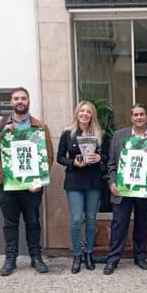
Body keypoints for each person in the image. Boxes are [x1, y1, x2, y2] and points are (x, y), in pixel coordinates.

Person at [0, 87, 54, 276]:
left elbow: (48, 157)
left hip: (32, 186)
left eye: (23, 98)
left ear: (28, 101)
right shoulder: (0, 124)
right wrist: (3, 134)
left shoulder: (40, 126)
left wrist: (39, 180)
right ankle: (10, 259)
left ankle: (36, 257)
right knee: (10, 223)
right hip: (7, 183)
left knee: (33, 222)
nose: (20, 101)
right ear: (11, 102)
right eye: (16, 98)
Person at [103, 104, 147, 275]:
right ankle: (113, 259)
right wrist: (112, 183)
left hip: (145, 189)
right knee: (119, 223)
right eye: (136, 115)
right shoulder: (119, 136)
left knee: (142, 224)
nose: (139, 117)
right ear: (131, 117)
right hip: (123, 188)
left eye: (142, 114)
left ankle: (140, 256)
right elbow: (111, 163)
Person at [57, 101, 110, 274]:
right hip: (75, 180)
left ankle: (89, 253)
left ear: (92, 115)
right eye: (82, 111)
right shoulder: (67, 133)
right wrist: (73, 162)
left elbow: (107, 156)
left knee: (92, 218)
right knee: (77, 219)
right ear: (77, 113)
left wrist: (99, 157)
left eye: (88, 111)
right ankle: (77, 255)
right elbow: (60, 157)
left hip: (94, 180)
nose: (85, 114)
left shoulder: (100, 134)